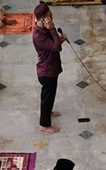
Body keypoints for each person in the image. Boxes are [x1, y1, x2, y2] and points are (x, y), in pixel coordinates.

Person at [32, 2, 68, 134]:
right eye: (49, 15)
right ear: (44, 18)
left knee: (50, 96)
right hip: (47, 72)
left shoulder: (44, 29)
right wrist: (53, 29)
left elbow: (54, 45)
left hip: (52, 68)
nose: (52, 17)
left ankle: (48, 111)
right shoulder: (38, 35)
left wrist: (59, 39)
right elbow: (56, 47)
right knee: (47, 97)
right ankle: (44, 125)